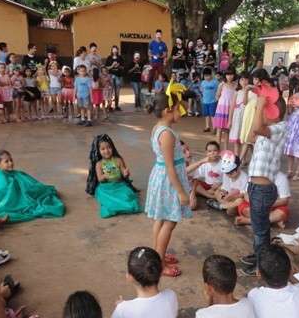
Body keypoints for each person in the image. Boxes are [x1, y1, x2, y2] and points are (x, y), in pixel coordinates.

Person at [239, 69, 285, 274]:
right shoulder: (266, 129)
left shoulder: (279, 127)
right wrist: (259, 105)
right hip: (256, 186)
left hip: (263, 189)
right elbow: (250, 135)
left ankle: (262, 263)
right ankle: (259, 254)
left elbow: (257, 128)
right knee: (259, 228)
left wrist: (259, 106)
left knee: (260, 229)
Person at [144, 83, 191, 277]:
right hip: (168, 180)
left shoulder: (159, 128)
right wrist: (181, 192)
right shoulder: (167, 134)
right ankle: (160, 264)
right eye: (180, 107)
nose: (184, 110)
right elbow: (171, 166)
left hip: (162, 177)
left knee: (161, 218)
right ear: (167, 111)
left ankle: (157, 254)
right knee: (170, 222)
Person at [0, 150, 65, 223]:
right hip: (11, 204)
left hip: (22, 193)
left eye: (11, 160)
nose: (10, 163)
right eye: (6, 161)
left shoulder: (15, 174)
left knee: (38, 189)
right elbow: (3, 198)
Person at [85, 134, 141, 218]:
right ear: (98, 151)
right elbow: (100, 179)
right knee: (107, 200)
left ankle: (120, 205)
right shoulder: (99, 164)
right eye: (103, 149)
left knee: (128, 196)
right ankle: (114, 206)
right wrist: (105, 176)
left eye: (109, 147)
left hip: (119, 185)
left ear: (112, 148)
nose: (106, 151)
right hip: (106, 188)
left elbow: (123, 173)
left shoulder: (118, 160)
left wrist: (126, 173)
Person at [186, 140, 223, 206]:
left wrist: (220, 184)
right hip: (207, 185)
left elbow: (229, 178)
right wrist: (193, 193)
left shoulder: (223, 163)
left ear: (219, 151)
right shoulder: (205, 163)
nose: (212, 153)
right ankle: (210, 195)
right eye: (209, 151)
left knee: (221, 191)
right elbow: (196, 177)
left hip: (220, 186)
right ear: (206, 153)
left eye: (215, 151)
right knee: (195, 184)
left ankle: (211, 194)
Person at [213, 68, 237, 149]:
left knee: (227, 130)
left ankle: (226, 149)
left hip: (230, 110)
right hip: (221, 109)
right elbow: (217, 96)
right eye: (227, 75)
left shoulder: (236, 85)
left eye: (231, 74)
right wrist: (221, 101)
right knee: (219, 129)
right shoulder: (222, 84)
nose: (229, 76)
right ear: (225, 75)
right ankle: (217, 148)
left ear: (234, 75)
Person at [227, 72, 250, 156]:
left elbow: (245, 103)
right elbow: (232, 107)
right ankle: (236, 156)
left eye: (246, 79)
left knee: (244, 138)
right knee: (236, 137)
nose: (244, 81)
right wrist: (229, 120)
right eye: (242, 79)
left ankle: (243, 158)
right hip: (237, 118)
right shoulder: (237, 92)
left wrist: (247, 91)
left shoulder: (251, 92)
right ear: (239, 81)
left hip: (246, 117)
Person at [105, 46, 125, 111]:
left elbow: (123, 68)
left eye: (116, 49)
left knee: (117, 92)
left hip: (118, 76)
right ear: (111, 50)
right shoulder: (109, 58)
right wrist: (112, 66)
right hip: (110, 76)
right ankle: (109, 106)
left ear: (117, 50)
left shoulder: (120, 58)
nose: (114, 50)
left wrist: (119, 66)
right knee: (110, 91)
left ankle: (117, 106)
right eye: (113, 49)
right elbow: (106, 68)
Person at [200, 67, 219, 132]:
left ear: (211, 75)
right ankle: (207, 126)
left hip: (213, 101)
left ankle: (214, 127)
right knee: (206, 115)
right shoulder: (203, 82)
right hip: (205, 101)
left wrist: (217, 98)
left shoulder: (215, 82)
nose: (207, 77)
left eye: (208, 76)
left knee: (212, 115)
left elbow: (218, 90)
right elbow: (202, 90)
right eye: (205, 76)